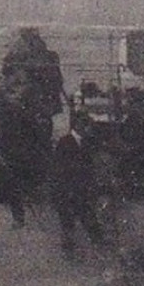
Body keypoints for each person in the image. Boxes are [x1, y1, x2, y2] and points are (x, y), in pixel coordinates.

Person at [49, 111, 105, 259]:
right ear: (79, 125)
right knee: (69, 220)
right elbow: (61, 167)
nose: (90, 129)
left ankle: (97, 243)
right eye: (87, 125)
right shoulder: (65, 142)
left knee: (86, 215)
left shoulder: (87, 142)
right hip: (67, 189)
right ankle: (69, 249)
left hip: (80, 188)